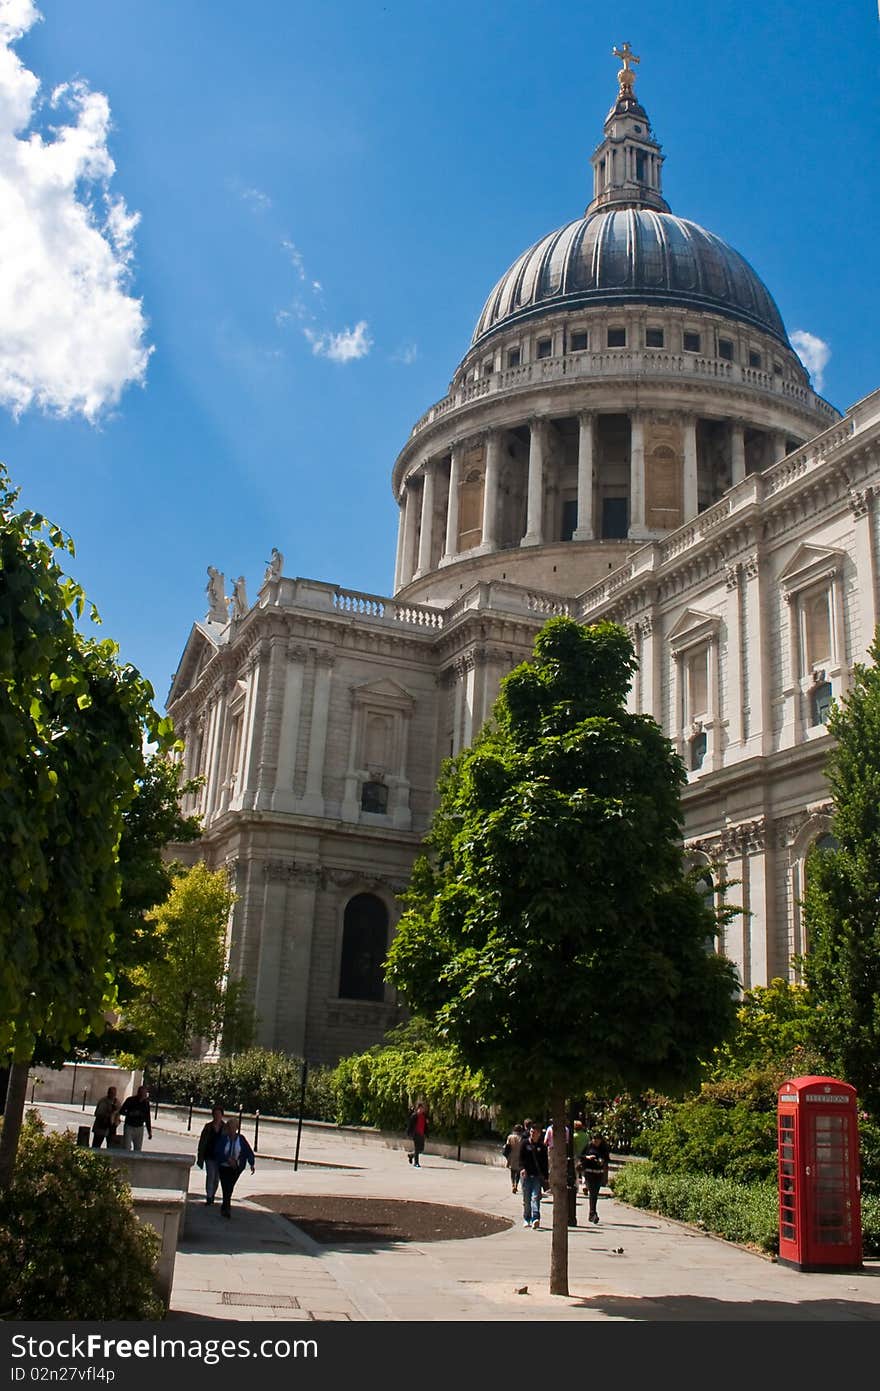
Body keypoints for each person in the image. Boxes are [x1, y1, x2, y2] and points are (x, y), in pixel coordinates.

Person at [217, 1119, 255, 1218]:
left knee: (230, 1187)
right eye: (230, 1127)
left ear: (237, 1128)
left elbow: (248, 1151)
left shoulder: (241, 1139)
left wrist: (251, 1163)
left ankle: (225, 1206)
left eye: (234, 1127)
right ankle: (226, 1208)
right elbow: (218, 1152)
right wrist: (227, 1159)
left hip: (236, 1168)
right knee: (226, 1187)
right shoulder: (223, 1139)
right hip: (224, 1167)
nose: (232, 1130)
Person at [519, 1123, 549, 1229]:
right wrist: (522, 1168)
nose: (532, 1134)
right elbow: (520, 1158)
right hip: (526, 1175)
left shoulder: (542, 1147)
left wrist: (546, 1176)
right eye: (531, 1132)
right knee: (526, 1198)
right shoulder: (524, 1143)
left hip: (536, 1176)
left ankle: (535, 1218)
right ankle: (526, 1218)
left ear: (539, 1134)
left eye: (535, 1132)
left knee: (535, 1197)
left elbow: (545, 1162)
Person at [196, 1106, 226, 1204]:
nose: (217, 1116)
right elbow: (202, 1142)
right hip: (209, 1155)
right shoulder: (208, 1127)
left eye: (219, 1114)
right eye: (215, 1114)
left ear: (222, 1115)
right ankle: (209, 1197)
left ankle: (212, 1194)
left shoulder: (225, 1128)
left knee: (216, 1178)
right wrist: (200, 1155)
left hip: (220, 1157)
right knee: (210, 1175)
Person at [581, 1130, 611, 1223]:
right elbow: (581, 1156)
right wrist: (588, 1157)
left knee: (595, 1194)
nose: (596, 1142)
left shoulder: (603, 1148)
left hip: (599, 1173)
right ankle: (593, 1213)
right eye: (594, 1139)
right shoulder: (589, 1146)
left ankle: (592, 1213)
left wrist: (602, 1160)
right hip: (589, 1173)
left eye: (598, 1140)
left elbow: (607, 1158)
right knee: (592, 1193)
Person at [119, 1084, 153, 1151]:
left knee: (138, 1148)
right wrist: (130, 1113)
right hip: (129, 1126)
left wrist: (149, 1131)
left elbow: (147, 1118)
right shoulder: (130, 1100)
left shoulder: (146, 1104)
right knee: (127, 1147)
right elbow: (121, 1111)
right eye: (143, 1093)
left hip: (139, 1127)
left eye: (145, 1093)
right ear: (139, 1093)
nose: (144, 1095)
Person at [503, 1123, 525, 1193]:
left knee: (512, 1171)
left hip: (511, 1156)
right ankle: (516, 1185)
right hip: (520, 1156)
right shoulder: (522, 1138)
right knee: (518, 1172)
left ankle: (512, 1184)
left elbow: (507, 1146)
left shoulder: (510, 1137)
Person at [405, 1101, 429, 1167]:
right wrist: (408, 1133)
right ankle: (416, 1163)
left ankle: (411, 1155)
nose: (422, 1110)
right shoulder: (414, 1116)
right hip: (415, 1134)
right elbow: (410, 1125)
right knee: (417, 1148)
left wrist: (426, 1133)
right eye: (420, 1108)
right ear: (418, 1108)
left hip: (422, 1134)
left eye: (423, 1108)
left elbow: (426, 1126)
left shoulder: (424, 1116)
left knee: (421, 1149)